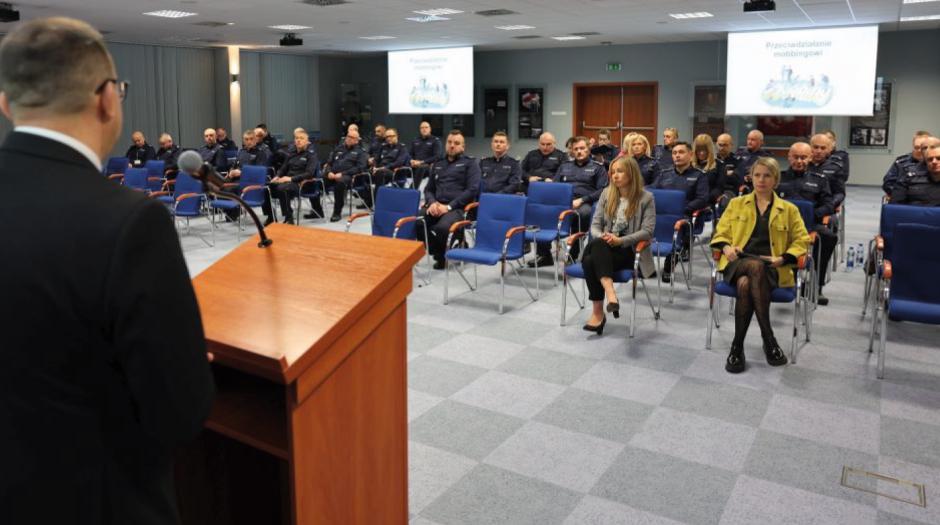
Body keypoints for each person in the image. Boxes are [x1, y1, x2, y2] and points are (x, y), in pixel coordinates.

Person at [0, 17, 213, 524]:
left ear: (6, 104)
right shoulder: (130, 222)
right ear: (108, 99)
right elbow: (179, 412)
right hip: (94, 498)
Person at [711, 157, 811, 374]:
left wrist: (784, 258)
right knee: (752, 269)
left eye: (767, 175)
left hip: (772, 267)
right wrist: (727, 247)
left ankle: (737, 346)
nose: (761, 180)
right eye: (757, 175)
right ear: (751, 177)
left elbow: (802, 240)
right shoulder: (737, 204)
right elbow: (720, 233)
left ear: (775, 179)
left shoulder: (789, 209)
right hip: (738, 262)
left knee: (746, 285)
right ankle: (769, 339)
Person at [580, 156, 656, 335]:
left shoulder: (646, 198)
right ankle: (610, 293)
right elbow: (595, 225)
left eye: (620, 171)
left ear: (631, 173)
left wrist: (620, 240)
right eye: (612, 172)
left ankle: (598, 313)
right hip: (605, 246)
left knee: (589, 260)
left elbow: (647, 231)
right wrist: (605, 237)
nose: (615, 176)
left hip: (628, 250)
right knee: (597, 246)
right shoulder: (607, 193)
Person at [777, 142, 837, 305]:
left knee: (829, 237)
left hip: (808, 225)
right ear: (789, 157)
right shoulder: (778, 178)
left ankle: (816, 285)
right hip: (780, 226)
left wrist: (813, 215)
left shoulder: (819, 180)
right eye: (795, 157)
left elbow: (829, 205)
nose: (799, 161)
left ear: (810, 158)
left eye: (803, 157)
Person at [537, 136, 608, 265]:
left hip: (584, 202)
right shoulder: (564, 166)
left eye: (582, 148)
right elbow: (555, 185)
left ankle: (572, 255)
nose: (579, 151)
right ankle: (544, 255)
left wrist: (582, 199)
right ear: (572, 151)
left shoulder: (598, 168)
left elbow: (603, 190)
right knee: (542, 213)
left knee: (582, 214)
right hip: (562, 202)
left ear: (588, 149)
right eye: (576, 149)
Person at [418, 130, 481, 270]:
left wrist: (448, 207)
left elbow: (472, 190)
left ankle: (444, 253)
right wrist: (432, 202)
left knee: (441, 228)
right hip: (436, 205)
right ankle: (440, 250)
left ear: (463, 147)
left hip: (458, 208)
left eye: (456, 143)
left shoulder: (470, 164)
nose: (452, 146)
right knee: (416, 221)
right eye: (450, 142)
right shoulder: (438, 164)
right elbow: (428, 189)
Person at [652, 141, 709, 282]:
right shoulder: (664, 174)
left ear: (690, 155)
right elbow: (652, 191)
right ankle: (644, 267)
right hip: (662, 215)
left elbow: (702, 199)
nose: (677, 155)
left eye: (681, 152)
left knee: (681, 230)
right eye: (674, 153)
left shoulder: (699, 176)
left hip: (684, 215)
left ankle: (669, 264)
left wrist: (682, 208)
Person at [261, 130, 319, 224]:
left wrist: (290, 179)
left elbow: (309, 173)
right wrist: (277, 176)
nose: (298, 140)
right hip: (288, 181)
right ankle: (271, 216)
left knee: (283, 188)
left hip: (302, 183)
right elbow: (284, 168)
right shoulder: (292, 153)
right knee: (265, 188)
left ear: (307, 141)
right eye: (297, 138)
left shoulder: (311, 154)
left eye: (301, 138)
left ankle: (289, 217)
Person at [324, 128, 368, 221]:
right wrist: (329, 172)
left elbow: (360, 168)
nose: (349, 138)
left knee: (340, 183)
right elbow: (329, 163)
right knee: (316, 180)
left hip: (349, 176)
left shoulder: (360, 152)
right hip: (332, 174)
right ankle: (317, 210)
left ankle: (337, 212)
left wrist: (342, 173)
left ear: (357, 140)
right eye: (348, 136)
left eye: (352, 137)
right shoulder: (338, 148)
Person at [369, 127, 411, 205]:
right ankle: (368, 200)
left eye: (391, 136)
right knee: (364, 173)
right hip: (380, 170)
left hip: (394, 172)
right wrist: (374, 167)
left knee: (380, 173)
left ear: (396, 136)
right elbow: (376, 159)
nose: (389, 138)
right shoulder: (383, 146)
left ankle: (378, 202)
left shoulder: (402, 147)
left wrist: (384, 168)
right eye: (387, 136)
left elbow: (399, 162)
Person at [883, 131, 932, 195]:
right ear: (913, 147)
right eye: (917, 147)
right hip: (904, 200)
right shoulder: (901, 162)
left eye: (924, 147)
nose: (920, 150)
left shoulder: (936, 162)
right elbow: (888, 184)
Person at [807, 133, 847, 208]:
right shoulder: (803, 165)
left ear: (829, 150)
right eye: (815, 147)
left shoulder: (835, 168)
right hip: (806, 204)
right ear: (810, 147)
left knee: (832, 220)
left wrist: (831, 205)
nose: (819, 151)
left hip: (825, 205)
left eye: (823, 148)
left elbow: (840, 193)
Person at [409, 121, 443, 189]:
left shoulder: (435, 140)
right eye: (422, 128)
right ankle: (397, 191)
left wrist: (421, 162)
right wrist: (411, 160)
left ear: (430, 129)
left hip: (428, 166)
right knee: (401, 168)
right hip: (414, 165)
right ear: (420, 130)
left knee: (421, 167)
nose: (424, 129)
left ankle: (411, 191)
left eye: (426, 127)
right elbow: (410, 154)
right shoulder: (415, 140)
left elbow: (438, 156)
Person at [692, 133, 721, 204]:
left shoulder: (719, 165)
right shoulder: (689, 165)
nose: (701, 153)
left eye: (704, 150)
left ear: (709, 150)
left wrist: (703, 199)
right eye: (698, 150)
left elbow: (719, 188)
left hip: (708, 201)